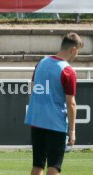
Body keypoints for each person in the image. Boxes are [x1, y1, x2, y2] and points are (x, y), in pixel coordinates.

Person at [25, 32, 83, 175]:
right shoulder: (68, 70)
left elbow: (32, 90)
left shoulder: (41, 63)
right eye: (78, 52)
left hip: (36, 121)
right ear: (73, 49)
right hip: (55, 124)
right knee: (54, 166)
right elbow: (71, 104)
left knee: (37, 165)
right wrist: (72, 130)